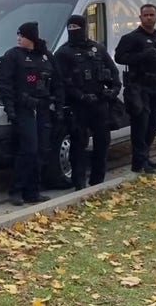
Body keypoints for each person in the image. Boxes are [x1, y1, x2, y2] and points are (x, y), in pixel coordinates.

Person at [0, 22, 64, 206]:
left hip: (43, 109)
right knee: (28, 149)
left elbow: (57, 82)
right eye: (18, 35)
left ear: (31, 37)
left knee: (41, 150)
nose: (19, 39)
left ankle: (33, 191)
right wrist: (11, 108)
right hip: (24, 109)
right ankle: (16, 190)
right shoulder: (13, 56)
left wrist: (58, 106)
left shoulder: (46, 56)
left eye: (22, 36)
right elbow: (4, 84)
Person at [54, 14, 121, 189]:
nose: (74, 31)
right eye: (71, 29)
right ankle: (79, 184)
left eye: (77, 28)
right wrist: (80, 96)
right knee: (78, 145)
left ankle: (98, 182)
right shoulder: (63, 53)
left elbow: (113, 72)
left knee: (102, 143)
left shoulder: (97, 49)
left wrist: (113, 91)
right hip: (78, 106)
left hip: (99, 103)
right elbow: (61, 82)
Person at [114, 4, 156, 174]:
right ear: (140, 17)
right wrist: (141, 56)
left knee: (153, 125)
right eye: (145, 15)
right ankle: (139, 162)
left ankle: (145, 157)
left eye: (151, 15)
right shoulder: (131, 38)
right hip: (139, 86)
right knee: (141, 124)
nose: (149, 18)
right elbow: (119, 57)